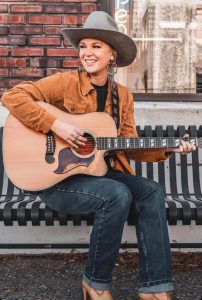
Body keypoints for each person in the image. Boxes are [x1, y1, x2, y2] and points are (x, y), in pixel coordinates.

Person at [2, 11, 196, 300]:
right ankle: (95, 282)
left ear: (111, 55)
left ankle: (155, 288)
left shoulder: (123, 96)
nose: (87, 53)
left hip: (96, 176)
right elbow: (12, 97)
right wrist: (57, 125)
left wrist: (168, 148)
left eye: (96, 46)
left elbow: (130, 144)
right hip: (57, 180)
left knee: (151, 191)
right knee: (116, 194)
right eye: (83, 46)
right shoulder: (65, 83)